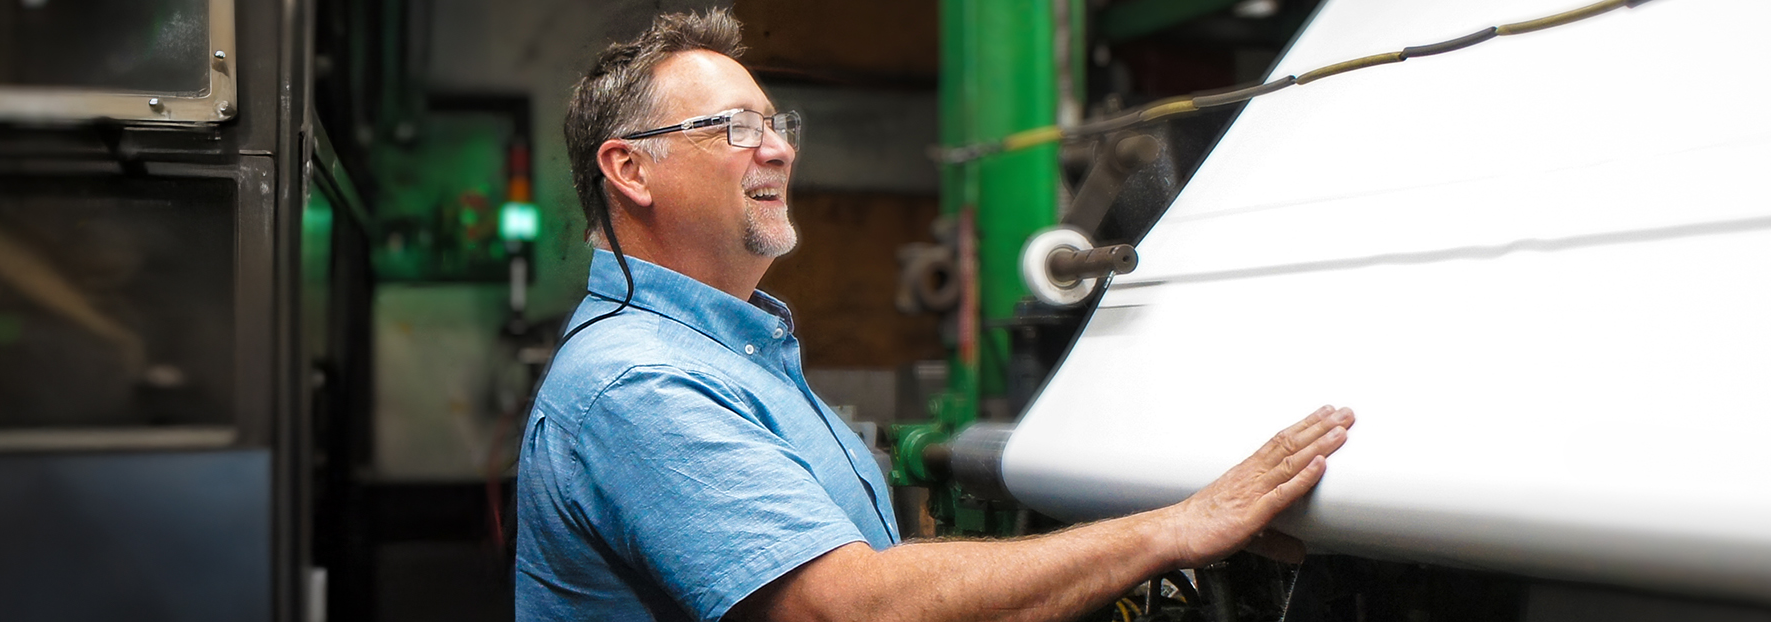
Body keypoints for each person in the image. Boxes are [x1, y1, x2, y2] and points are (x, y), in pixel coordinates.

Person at [515, 9, 1356, 622]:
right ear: (630, 168)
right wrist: (1175, 529)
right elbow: (847, 607)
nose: (779, 148)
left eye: (777, 124)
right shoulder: (641, 384)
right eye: (736, 127)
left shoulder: (730, 350)